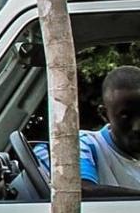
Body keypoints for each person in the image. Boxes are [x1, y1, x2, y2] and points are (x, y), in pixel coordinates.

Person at [38, 65, 140, 193]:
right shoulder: (81, 144)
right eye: (125, 116)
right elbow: (79, 191)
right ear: (104, 114)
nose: (137, 127)